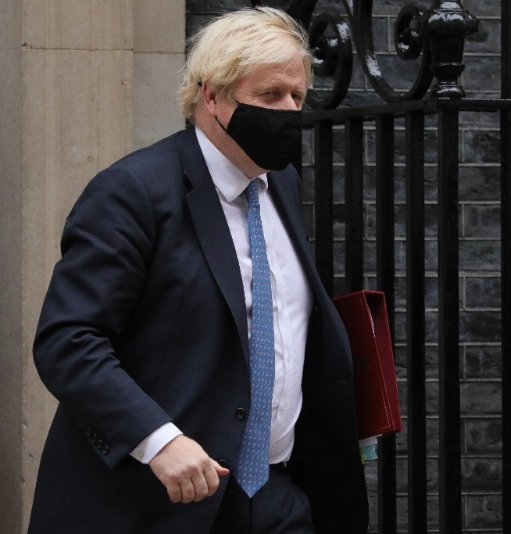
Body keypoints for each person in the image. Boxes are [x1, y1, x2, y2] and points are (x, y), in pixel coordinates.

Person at [27, 7, 368, 534]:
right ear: (211, 96)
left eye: (297, 96)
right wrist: (159, 440)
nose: (289, 110)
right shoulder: (133, 192)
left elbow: (279, 322)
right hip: (158, 503)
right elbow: (68, 340)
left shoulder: (282, 184)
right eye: (270, 95)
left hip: (277, 496)